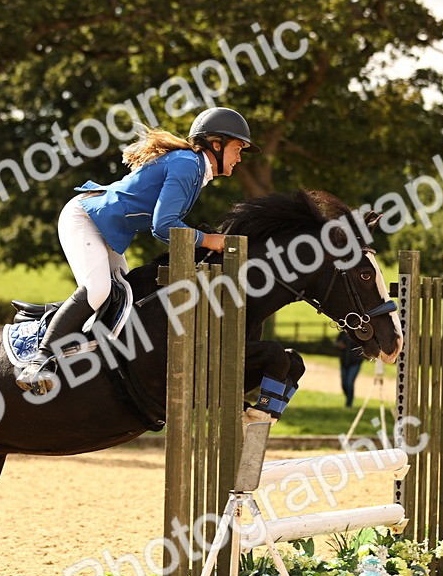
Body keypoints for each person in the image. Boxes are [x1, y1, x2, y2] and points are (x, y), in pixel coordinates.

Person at [15, 107, 260, 394]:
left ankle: (50, 316)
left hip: (105, 230)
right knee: (97, 290)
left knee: (123, 297)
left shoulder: (194, 169)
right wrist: (207, 240)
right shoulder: (187, 165)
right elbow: (163, 226)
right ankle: (39, 360)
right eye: (237, 149)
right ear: (216, 145)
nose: (239, 157)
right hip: (84, 218)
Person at [337, 330, 363, 407]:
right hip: (344, 362)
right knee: (344, 384)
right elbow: (336, 343)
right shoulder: (342, 334)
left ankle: (349, 403)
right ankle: (348, 398)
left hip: (355, 363)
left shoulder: (358, 334)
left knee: (349, 383)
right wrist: (339, 345)